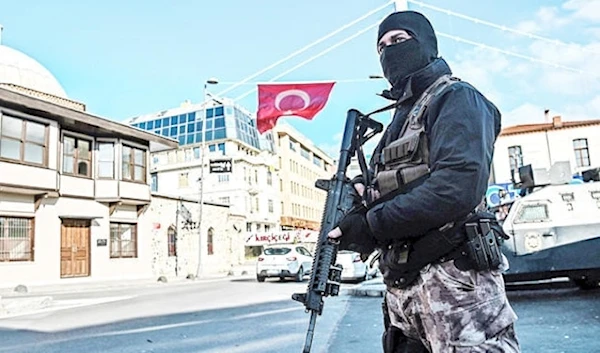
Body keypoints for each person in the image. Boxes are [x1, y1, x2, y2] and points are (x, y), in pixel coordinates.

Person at [328, 10, 521, 353]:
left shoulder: (457, 97)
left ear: (427, 44)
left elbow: (456, 187)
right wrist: (357, 209)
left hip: (457, 287)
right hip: (404, 292)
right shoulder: (398, 120)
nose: (390, 51)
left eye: (400, 40)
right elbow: (388, 188)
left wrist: (372, 225)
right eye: (382, 47)